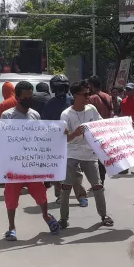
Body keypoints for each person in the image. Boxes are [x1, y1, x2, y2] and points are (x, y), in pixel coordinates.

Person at [0, 81, 59, 241]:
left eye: (30, 96)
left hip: (32, 163)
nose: (29, 99)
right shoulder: (7, 115)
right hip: (14, 165)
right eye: (25, 97)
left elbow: (41, 137)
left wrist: (60, 133)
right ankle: (11, 227)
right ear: (17, 97)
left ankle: (46, 216)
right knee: (11, 197)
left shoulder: (35, 115)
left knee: (41, 194)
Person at [58, 80, 113, 229]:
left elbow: (101, 126)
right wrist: (75, 133)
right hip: (72, 153)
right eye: (85, 94)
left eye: (89, 93)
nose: (88, 96)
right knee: (66, 187)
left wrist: (120, 124)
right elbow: (64, 139)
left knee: (97, 185)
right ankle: (63, 218)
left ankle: (104, 215)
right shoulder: (66, 114)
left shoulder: (91, 109)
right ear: (75, 95)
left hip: (89, 154)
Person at [42, 75, 88, 202]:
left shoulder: (72, 101)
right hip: (56, 142)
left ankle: (81, 195)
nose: (60, 90)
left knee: (76, 171)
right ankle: (60, 195)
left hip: (73, 141)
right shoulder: (49, 104)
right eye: (57, 88)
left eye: (62, 87)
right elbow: (45, 123)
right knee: (57, 171)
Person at [87, 76, 113, 183]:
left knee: (95, 157)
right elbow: (112, 111)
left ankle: (98, 180)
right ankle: (102, 179)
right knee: (103, 155)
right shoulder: (108, 96)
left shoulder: (92, 98)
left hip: (95, 130)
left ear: (92, 86)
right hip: (106, 128)